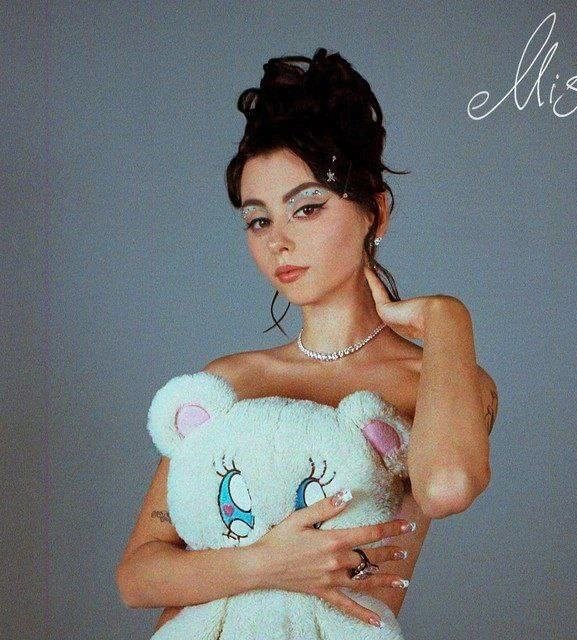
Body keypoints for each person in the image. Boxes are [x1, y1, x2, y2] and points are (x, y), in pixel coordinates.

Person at [115, 47, 498, 635]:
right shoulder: (231, 382)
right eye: (258, 219)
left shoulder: (433, 380)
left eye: (307, 208)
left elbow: (446, 488)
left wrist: (448, 317)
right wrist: (266, 563)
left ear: (376, 213)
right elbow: (138, 576)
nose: (278, 242)